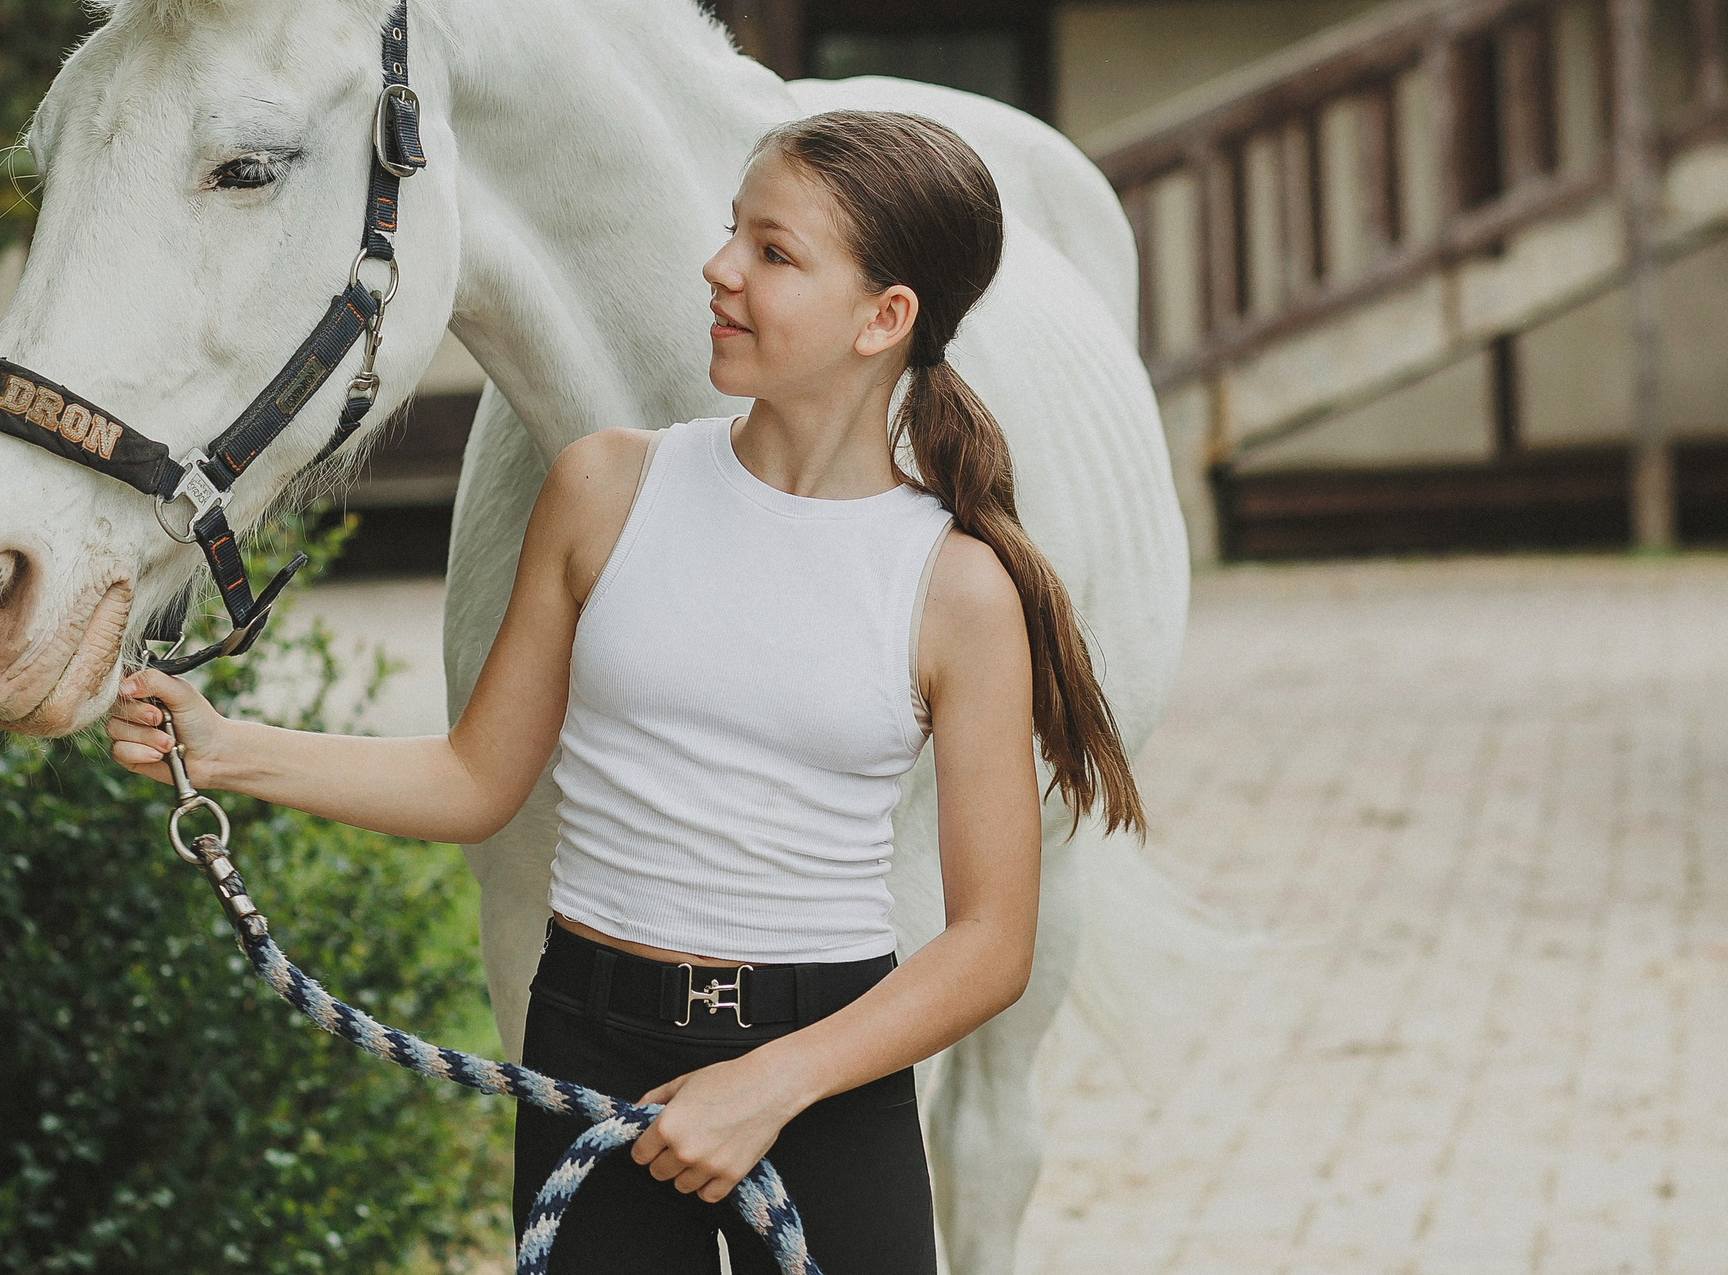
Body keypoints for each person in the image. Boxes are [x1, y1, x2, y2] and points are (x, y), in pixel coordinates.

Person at [109, 109, 1145, 1273]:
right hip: (588, 1043)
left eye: (773, 251)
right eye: (729, 233)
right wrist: (224, 747)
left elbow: (990, 941)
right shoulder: (605, 488)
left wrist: (767, 1087)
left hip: (827, 1068)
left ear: (883, 318)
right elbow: (475, 776)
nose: (718, 269)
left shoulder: (954, 588)